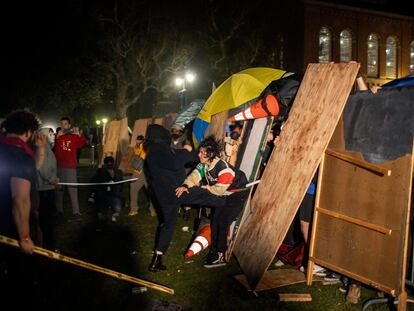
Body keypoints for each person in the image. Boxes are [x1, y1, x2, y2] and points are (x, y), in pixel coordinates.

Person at [176, 136, 248, 268]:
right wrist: (186, 186)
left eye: (202, 153)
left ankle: (221, 255)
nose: (199, 154)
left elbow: (218, 191)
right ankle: (214, 250)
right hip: (225, 193)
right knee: (215, 221)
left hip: (237, 194)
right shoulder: (204, 164)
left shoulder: (223, 168)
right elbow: (193, 177)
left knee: (222, 221)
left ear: (210, 154)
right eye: (200, 151)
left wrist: (199, 188)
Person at [0, 109, 40, 306]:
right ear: (29, 132)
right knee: (19, 280)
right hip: (10, 228)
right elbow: (20, 199)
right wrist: (24, 237)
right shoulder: (21, 156)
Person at [145, 124, 195, 272]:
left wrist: (185, 152)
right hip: (172, 193)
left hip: (164, 193)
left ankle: (156, 260)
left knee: (168, 224)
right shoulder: (158, 150)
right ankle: (156, 260)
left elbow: (172, 154)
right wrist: (187, 153)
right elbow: (174, 161)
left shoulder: (156, 150)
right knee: (207, 196)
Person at [54, 117, 86, 219]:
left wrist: (79, 135)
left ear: (69, 125)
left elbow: (82, 144)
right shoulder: (58, 136)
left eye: (65, 124)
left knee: (73, 188)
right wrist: (56, 137)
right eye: (62, 123)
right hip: (59, 166)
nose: (63, 125)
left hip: (70, 166)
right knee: (59, 190)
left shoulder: (73, 136)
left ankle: (76, 212)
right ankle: (59, 211)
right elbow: (50, 146)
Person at [34, 128, 59, 250]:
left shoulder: (48, 148)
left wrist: (56, 179)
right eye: (49, 134)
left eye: (52, 133)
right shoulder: (42, 149)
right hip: (44, 190)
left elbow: (51, 168)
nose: (52, 136)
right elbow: (42, 168)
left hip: (48, 188)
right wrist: (50, 179)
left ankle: (47, 245)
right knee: (46, 222)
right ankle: (48, 248)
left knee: (48, 221)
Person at [128, 135, 155, 217]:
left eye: (140, 140)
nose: (138, 142)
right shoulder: (136, 148)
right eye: (137, 140)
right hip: (138, 172)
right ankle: (134, 209)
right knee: (133, 189)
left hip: (147, 172)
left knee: (151, 191)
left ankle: (153, 209)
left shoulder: (146, 146)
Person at [91, 156, 123, 222]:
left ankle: (114, 212)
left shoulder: (118, 172)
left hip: (113, 195)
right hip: (103, 194)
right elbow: (94, 182)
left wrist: (114, 176)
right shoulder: (100, 172)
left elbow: (120, 186)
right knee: (100, 198)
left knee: (117, 207)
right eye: (108, 164)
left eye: (111, 164)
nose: (109, 166)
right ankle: (100, 212)